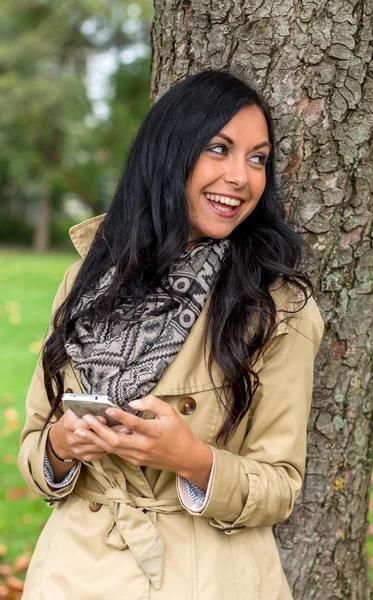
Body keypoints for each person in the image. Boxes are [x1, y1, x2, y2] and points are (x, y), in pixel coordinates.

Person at [18, 70, 324, 600]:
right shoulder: (88, 277)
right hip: (73, 572)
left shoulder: (278, 306)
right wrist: (63, 447)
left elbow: (281, 484)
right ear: (169, 153)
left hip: (205, 579)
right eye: (219, 149)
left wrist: (190, 459)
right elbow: (35, 446)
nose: (241, 176)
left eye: (257, 158)